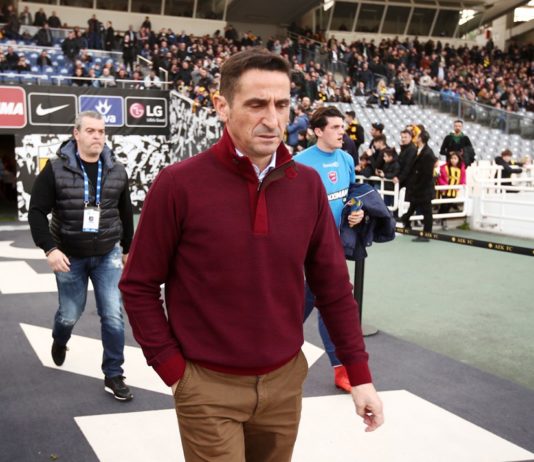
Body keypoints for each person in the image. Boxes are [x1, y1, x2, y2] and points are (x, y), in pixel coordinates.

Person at [119, 49, 383, 462]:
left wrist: (359, 374)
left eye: (282, 104)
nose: (273, 119)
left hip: (285, 384)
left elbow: (333, 287)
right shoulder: (177, 184)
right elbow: (138, 285)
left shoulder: (308, 186)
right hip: (206, 387)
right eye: (257, 104)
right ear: (222, 106)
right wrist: (173, 369)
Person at [28, 111, 134, 402]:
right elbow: (36, 212)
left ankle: (114, 374)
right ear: (76, 134)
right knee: (69, 314)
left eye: (101, 131)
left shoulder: (117, 169)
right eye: (90, 131)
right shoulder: (55, 169)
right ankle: (60, 338)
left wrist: (127, 248)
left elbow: (125, 212)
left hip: (107, 254)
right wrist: (50, 249)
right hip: (69, 256)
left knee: (113, 314)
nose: (97, 136)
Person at [294, 106, 365, 393]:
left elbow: (352, 196)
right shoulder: (299, 163)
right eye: (335, 127)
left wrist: (357, 211)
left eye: (342, 127)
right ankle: (264, 348)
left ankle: (341, 369)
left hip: (334, 249)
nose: (341, 132)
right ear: (318, 131)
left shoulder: (346, 158)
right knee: (300, 306)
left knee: (330, 307)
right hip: (305, 252)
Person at [400, 129, 437, 242]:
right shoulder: (419, 150)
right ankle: (405, 220)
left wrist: (418, 187)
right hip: (418, 187)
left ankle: (426, 235)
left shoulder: (428, 153)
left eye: (418, 136)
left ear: (420, 138)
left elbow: (427, 175)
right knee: (413, 207)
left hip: (424, 188)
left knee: (427, 213)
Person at [437, 151, 466, 229]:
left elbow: (463, 178)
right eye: (452, 158)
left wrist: (461, 185)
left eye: (455, 158)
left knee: (449, 205)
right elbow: (440, 178)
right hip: (445, 190)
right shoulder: (445, 167)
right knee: (444, 205)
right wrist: (444, 186)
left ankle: (440, 218)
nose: (453, 160)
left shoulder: (461, 168)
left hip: (454, 191)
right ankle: (443, 220)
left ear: (458, 160)